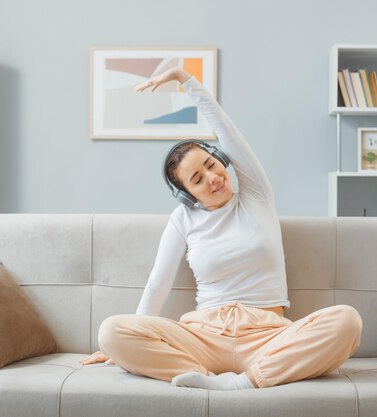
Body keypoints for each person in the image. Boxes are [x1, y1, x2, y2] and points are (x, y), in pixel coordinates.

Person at [79, 67, 362, 390]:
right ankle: (205, 375)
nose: (212, 178)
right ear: (187, 194)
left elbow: (227, 132)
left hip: (268, 336)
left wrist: (185, 80)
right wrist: (118, 347)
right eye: (197, 179)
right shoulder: (183, 219)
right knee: (111, 331)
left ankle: (245, 381)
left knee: (346, 321)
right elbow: (159, 281)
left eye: (211, 165)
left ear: (220, 160)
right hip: (204, 336)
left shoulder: (256, 197)